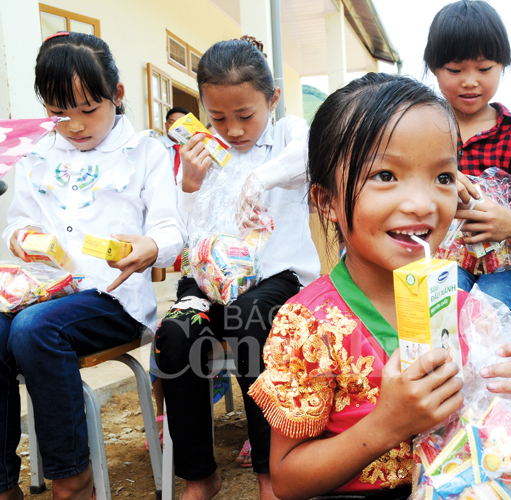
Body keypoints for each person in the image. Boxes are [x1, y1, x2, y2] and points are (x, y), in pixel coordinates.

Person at [248, 73, 511, 500]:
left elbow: (495, 437)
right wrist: (387, 424)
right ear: (326, 201)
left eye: (443, 177)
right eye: (386, 175)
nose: (422, 204)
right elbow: (289, 480)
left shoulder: (470, 311)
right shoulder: (307, 326)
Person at [0, 32, 186, 500]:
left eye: (89, 109)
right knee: (12, 328)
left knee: (33, 330)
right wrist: (21, 238)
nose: (76, 125)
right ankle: (4, 483)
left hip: (113, 299)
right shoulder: (38, 154)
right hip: (48, 293)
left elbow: (170, 230)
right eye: (61, 113)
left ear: (117, 95)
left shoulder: (146, 151)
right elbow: (17, 223)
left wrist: (148, 246)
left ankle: (71, 481)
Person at [154, 36, 319, 500]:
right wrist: (189, 182)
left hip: (275, 276)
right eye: (218, 117)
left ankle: (271, 473)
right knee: (176, 334)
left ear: (273, 98)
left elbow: (307, 157)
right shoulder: (201, 151)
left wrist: (256, 178)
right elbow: (186, 231)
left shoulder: (288, 133)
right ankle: (200, 474)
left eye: (245, 115)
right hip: (211, 276)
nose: (233, 128)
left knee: (248, 320)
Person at [422, 0, 511, 404]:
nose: (470, 81)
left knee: (493, 304)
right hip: (442, 265)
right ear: (434, 69)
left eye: (484, 69)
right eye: (455, 69)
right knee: (446, 302)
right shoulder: (422, 130)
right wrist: (444, 186)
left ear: (503, 66)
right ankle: (455, 421)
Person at [156, 106, 189, 183]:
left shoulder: (192, 147)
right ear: (166, 125)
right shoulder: (156, 145)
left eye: (180, 123)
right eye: (172, 122)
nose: (175, 126)